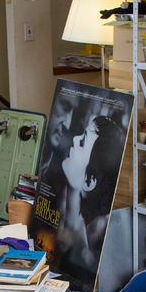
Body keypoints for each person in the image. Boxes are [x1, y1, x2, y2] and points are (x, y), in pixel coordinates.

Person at [55, 114, 124, 279]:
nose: (75, 139)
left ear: (89, 181)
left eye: (83, 141)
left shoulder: (84, 247)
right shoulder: (65, 209)